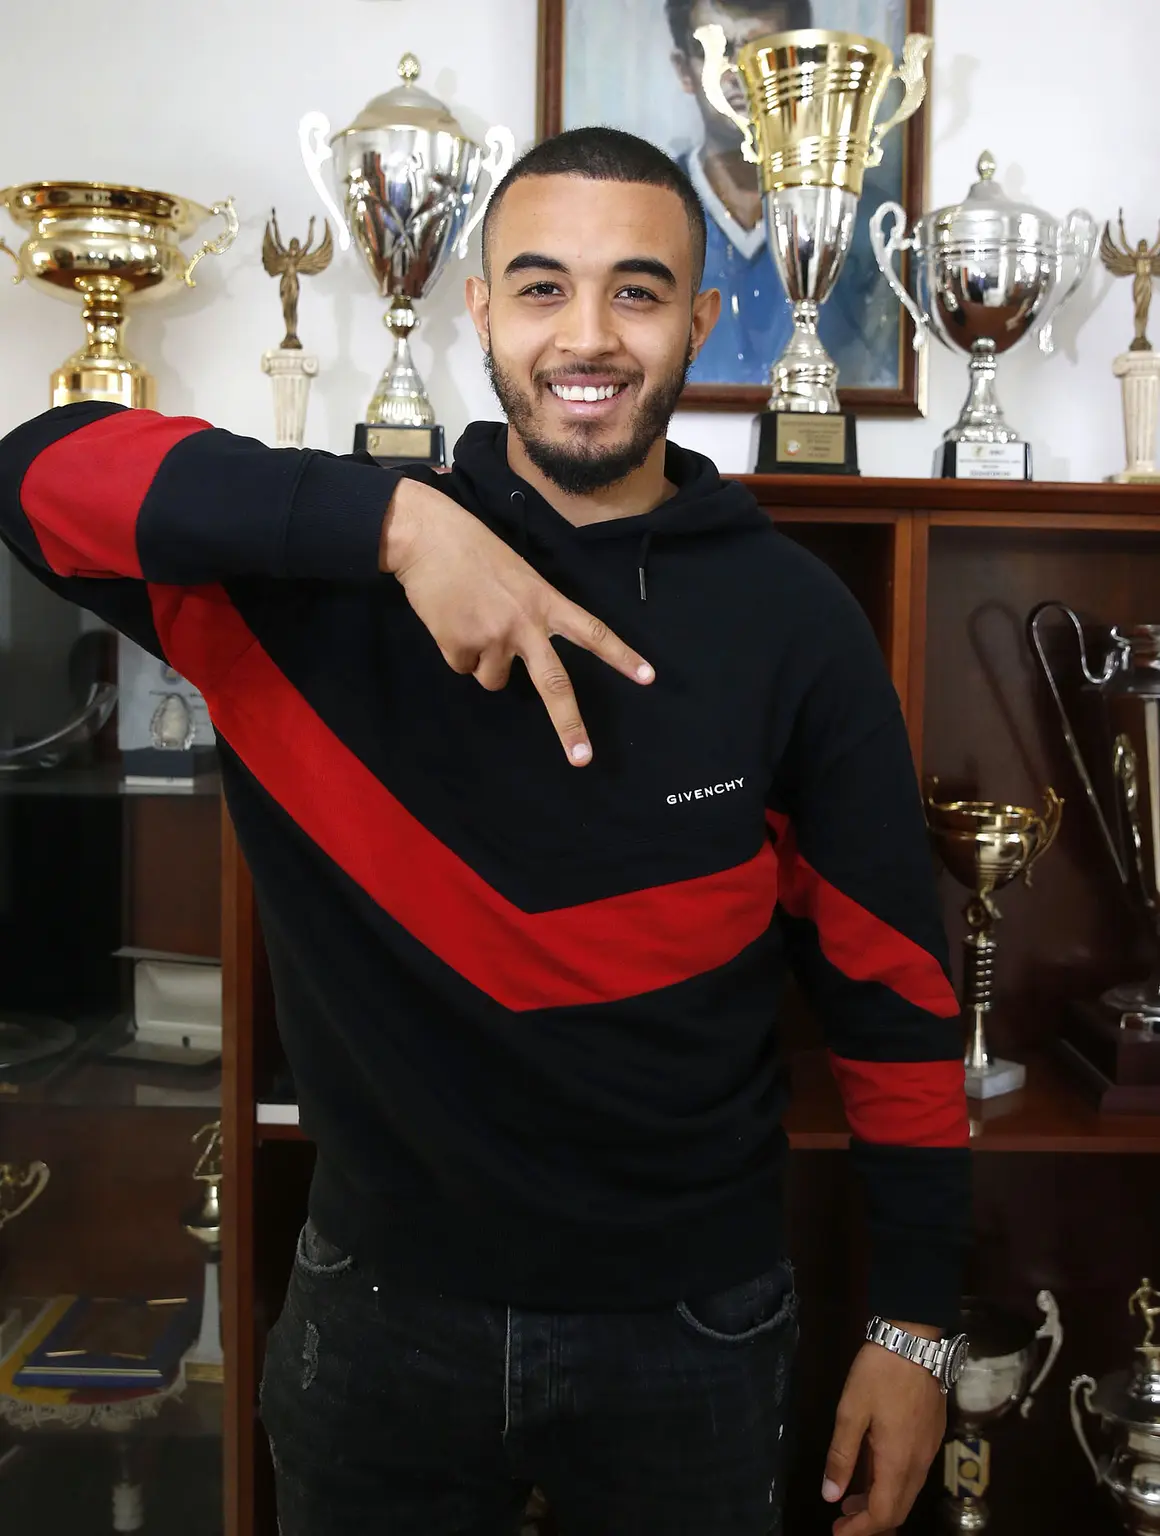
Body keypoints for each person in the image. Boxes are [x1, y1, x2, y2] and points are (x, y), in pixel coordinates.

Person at [0, 126, 969, 1536]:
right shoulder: (311, 587)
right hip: (374, 1320)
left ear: (701, 320)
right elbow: (34, 478)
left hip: (692, 1330)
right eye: (541, 286)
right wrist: (404, 525)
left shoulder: (794, 622)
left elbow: (896, 990)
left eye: (637, 291)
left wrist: (917, 1326)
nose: (588, 336)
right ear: (476, 307)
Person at [666, 0, 903, 389]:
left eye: (762, 52)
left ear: (803, 63)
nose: (738, 72)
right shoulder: (649, 212)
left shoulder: (868, 219)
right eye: (716, 51)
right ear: (684, 70)